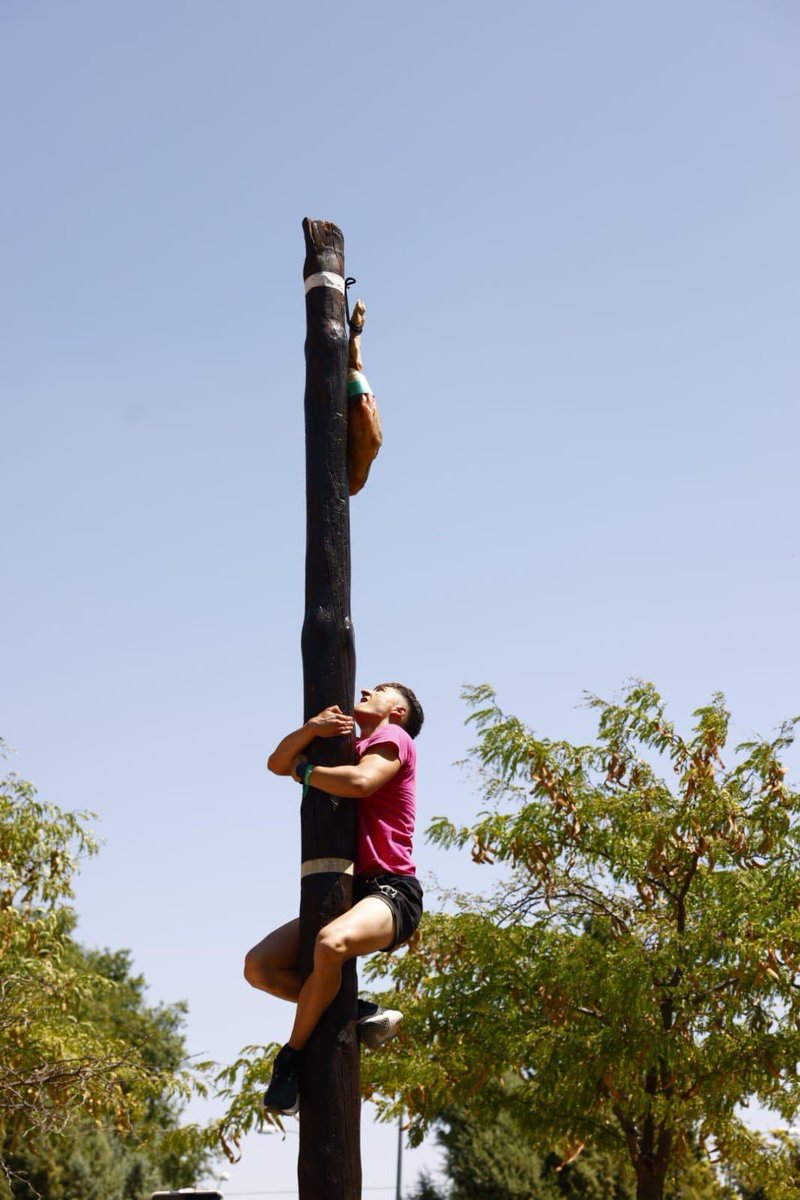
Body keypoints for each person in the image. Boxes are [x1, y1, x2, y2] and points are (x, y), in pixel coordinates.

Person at [244, 682, 424, 1115]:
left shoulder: (393, 738)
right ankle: (359, 1009)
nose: (364, 688)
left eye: (379, 689)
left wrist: (306, 772)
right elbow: (275, 763)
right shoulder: (347, 746)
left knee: (330, 944)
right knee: (260, 967)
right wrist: (311, 729)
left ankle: (290, 1058)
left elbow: (362, 783)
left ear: (397, 711)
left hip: (391, 890)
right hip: (348, 893)